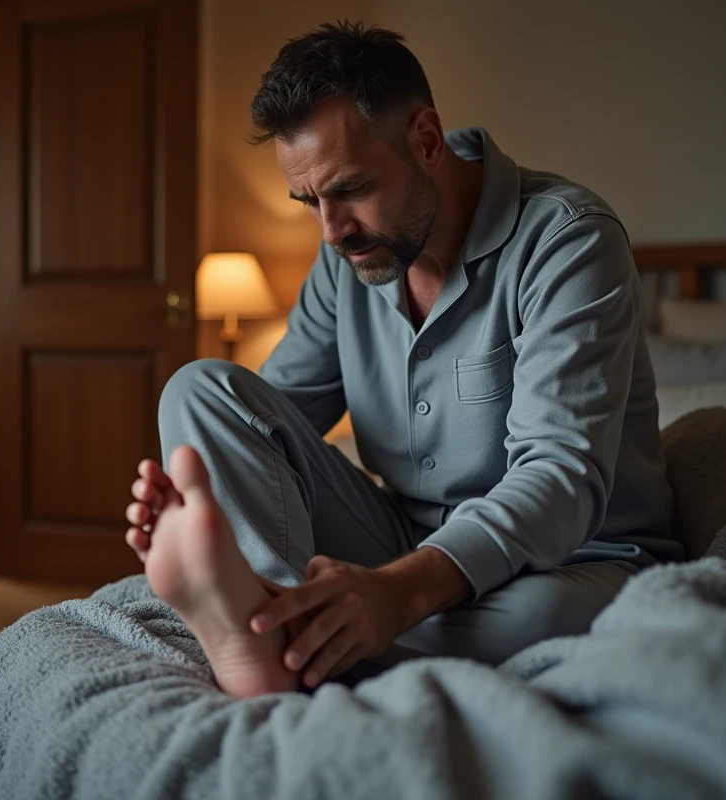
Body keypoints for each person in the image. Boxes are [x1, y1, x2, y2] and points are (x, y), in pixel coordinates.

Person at [124, 21, 682, 699]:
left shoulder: (568, 242)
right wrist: (206, 491)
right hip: (395, 536)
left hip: (568, 559)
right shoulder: (349, 262)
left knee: (544, 617)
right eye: (309, 202)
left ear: (425, 141)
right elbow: (270, 422)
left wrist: (399, 593)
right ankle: (268, 616)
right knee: (201, 388)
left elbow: (560, 476)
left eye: (350, 189)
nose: (331, 232)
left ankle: (279, 634)